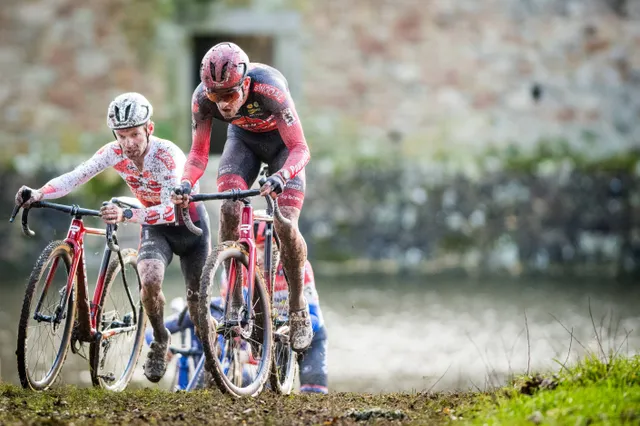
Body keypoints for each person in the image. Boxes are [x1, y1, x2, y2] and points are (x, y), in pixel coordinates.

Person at [13, 92, 211, 383]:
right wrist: (39, 193)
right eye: (122, 136)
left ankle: (210, 360)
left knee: (198, 308)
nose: (129, 143)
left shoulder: (167, 155)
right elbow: (76, 176)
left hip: (190, 226)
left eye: (134, 134)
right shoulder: (114, 152)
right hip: (155, 228)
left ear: (149, 129)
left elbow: (170, 211)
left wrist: (127, 215)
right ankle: (160, 338)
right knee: (150, 280)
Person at [171, 41, 313, 352]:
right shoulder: (201, 99)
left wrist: (281, 176)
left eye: (230, 95)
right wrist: (185, 183)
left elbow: (301, 149)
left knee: (285, 224)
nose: (222, 105)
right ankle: (234, 296)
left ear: (246, 83)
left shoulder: (270, 88)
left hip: (282, 149)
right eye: (215, 96)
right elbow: (197, 154)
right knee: (229, 208)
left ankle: (298, 307)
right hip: (243, 144)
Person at [149, 220, 329, 393]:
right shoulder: (239, 267)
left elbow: (313, 317)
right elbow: (231, 323)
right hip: (270, 336)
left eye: (267, 249)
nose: (261, 256)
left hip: (307, 334)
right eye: (257, 248)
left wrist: (288, 328)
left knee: (314, 391)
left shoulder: (299, 267)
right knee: (269, 396)